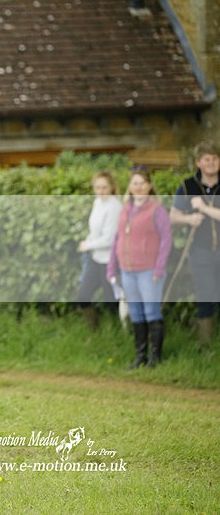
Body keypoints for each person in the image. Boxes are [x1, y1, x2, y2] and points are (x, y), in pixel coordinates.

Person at [107, 166, 172, 368]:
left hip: (149, 271)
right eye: (135, 183)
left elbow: (166, 239)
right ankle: (140, 356)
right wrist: (111, 267)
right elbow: (117, 238)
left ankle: (155, 357)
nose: (138, 187)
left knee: (151, 312)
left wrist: (159, 268)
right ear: (130, 186)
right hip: (128, 270)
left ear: (149, 186)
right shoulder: (125, 209)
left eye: (142, 183)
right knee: (135, 312)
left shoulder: (157, 210)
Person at [169, 140, 220, 351]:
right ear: (198, 162)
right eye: (207, 159)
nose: (211, 163)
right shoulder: (187, 186)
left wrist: (204, 208)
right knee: (205, 296)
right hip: (200, 252)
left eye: (215, 158)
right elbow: (173, 216)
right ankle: (205, 345)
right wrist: (188, 219)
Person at [76, 171, 123, 330]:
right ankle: (94, 330)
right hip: (96, 259)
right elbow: (95, 231)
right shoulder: (98, 202)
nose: (101, 191)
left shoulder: (115, 207)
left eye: (104, 187)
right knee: (83, 295)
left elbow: (110, 239)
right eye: (97, 188)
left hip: (110, 261)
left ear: (112, 187)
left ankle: (117, 332)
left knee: (111, 301)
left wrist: (88, 245)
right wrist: (87, 241)